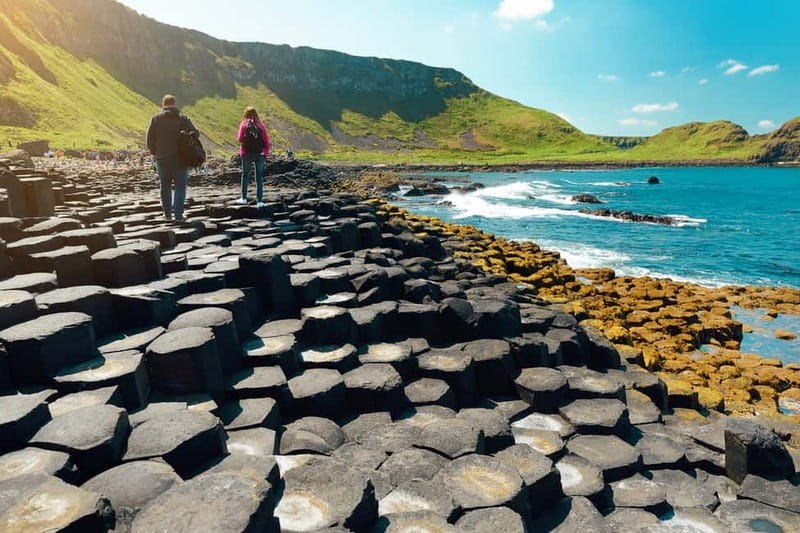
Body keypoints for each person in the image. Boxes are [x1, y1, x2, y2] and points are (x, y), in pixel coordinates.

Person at [146, 94, 198, 222]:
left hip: (162, 157)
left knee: (165, 185)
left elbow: (149, 139)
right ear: (175, 104)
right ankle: (179, 215)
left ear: (163, 105)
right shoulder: (183, 118)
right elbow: (196, 133)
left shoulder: (156, 119)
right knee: (180, 186)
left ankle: (167, 214)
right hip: (181, 157)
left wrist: (154, 152)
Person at [236, 106, 270, 208]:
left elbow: (240, 139)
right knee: (259, 178)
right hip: (259, 154)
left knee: (245, 176)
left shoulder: (244, 124)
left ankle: (244, 199)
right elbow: (266, 141)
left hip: (247, 154)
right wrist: (264, 152)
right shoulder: (260, 125)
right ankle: (259, 201)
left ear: (246, 114)